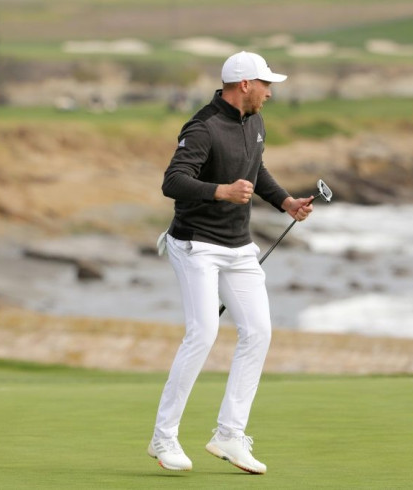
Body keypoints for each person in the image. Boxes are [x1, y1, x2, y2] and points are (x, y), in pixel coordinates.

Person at [147, 51, 314, 475]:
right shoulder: (203, 127)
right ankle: (163, 437)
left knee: (258, 332)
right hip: (195, 245)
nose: (271, 93)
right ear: (244, 85)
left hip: (239, 247)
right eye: (266, 84)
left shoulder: (254, 122)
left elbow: (256, 170)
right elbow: (173, 181)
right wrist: (220, 191)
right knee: (202, 333)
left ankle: (229, 434)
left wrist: (285, 202)